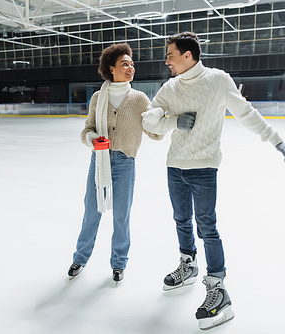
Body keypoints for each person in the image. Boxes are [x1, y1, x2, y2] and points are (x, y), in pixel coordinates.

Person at [141, 32, 285, 330]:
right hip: (175, 165)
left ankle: (218, 288)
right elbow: (148, 119)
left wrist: (276, 140)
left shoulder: (218, 80)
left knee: (207, 226)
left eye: (171, 55)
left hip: (203, 167)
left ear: (188, 55)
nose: (167, 61)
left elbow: (246, 113)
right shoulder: (170, 87)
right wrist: (172, 120)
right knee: (180, 220)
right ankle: (188, 266)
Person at [68, 43, 162, 283]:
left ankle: (119, 263)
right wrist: (92, 139)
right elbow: (87, 130)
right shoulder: (99, 98)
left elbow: (155, 133)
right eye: (125, 64)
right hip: (98, 161)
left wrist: (160, 119)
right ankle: (80, 257)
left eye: (131, 64)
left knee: (122, 215)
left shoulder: (140, 99)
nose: (131, 68)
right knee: (91, 212)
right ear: (111, 68)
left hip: (124, 162)